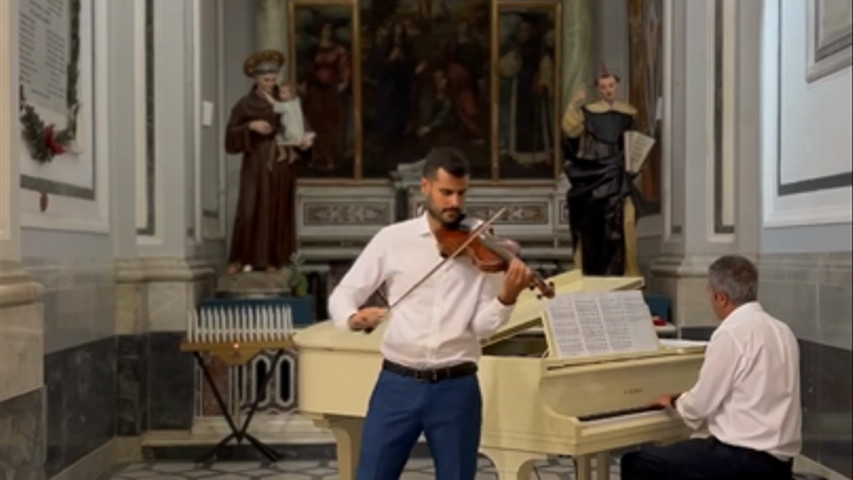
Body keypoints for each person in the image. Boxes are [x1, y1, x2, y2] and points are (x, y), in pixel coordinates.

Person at [327, 147, 534, 479]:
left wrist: (506, 298)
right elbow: (344, 295)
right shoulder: (393, 239)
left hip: (457, 386)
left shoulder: (482, 243)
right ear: (425, 188)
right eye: (446, 193)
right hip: (397, 383)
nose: (454, 203)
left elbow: (481, 328)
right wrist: (352, 318)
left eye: (461, 194)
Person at [620, 255, 802, 480]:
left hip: (742, 461)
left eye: (710, 296)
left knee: (637, 462)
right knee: (683, 455)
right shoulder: (783, 331)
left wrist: (676, 401)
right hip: (779, 464)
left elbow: (700, 404)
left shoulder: (730, 333)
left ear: (721, 298)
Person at [224, 49, 312, 274]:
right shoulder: (246, 104)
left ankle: (275, 260)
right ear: (256, 80)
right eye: (265, 80)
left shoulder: (286, 100)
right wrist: (250, 127)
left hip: (281, 162)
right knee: (249, 208)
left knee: (276, 209)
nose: (270, 84)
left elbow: (301, 126)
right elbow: (230, 135)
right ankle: (242, 258)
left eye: (273, 80)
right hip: (257, 159)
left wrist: (303, 142)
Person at [561, 67, 642, 277]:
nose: (608, 90)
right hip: (595, 172)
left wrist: (634, 162)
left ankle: (627, 272)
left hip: (619, 170)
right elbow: (570, 129)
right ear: (598, 89)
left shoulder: (629, 113)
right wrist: (574, 103)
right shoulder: (589, 112)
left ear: (617, 86)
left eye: (612, 86)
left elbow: (635, 143)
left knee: (626, 219)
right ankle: (589, 272)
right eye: (604, 87)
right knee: (593, 223)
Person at [264, 81, 315, 163]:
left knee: (278, 139)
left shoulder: (286, 105)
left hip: (291, 132)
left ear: (291, 94)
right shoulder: (296, 102)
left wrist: (266, 95)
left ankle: (283, 154)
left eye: (283, 92)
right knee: (289, 143)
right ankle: (292, 154)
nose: (280, 94)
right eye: (280, 92)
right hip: (298, 131)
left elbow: (274, 104)